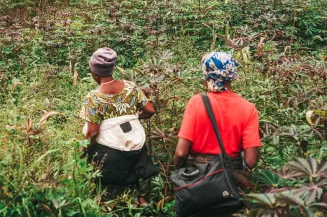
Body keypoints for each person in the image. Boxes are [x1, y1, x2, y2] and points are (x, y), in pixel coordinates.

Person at [81, 48, 157, 206]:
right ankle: (144, 206)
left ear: (94, 72)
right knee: (136, 187)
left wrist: (83, 150)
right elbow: (150, 110)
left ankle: (109, 205)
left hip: (110, 155)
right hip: (136, 150)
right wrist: (134, 118)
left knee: (105, 191)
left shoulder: (94, 98)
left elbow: (92, 132)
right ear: (112, 68)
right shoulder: (130, 87)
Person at [174, 52, 261, 179]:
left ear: (206, 76)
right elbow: (251, 160)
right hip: (232, 181)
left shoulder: (196, 103)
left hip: (197, 180)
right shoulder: (248, 108)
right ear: (232, 75)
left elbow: (181, 153)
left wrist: (178, 174)